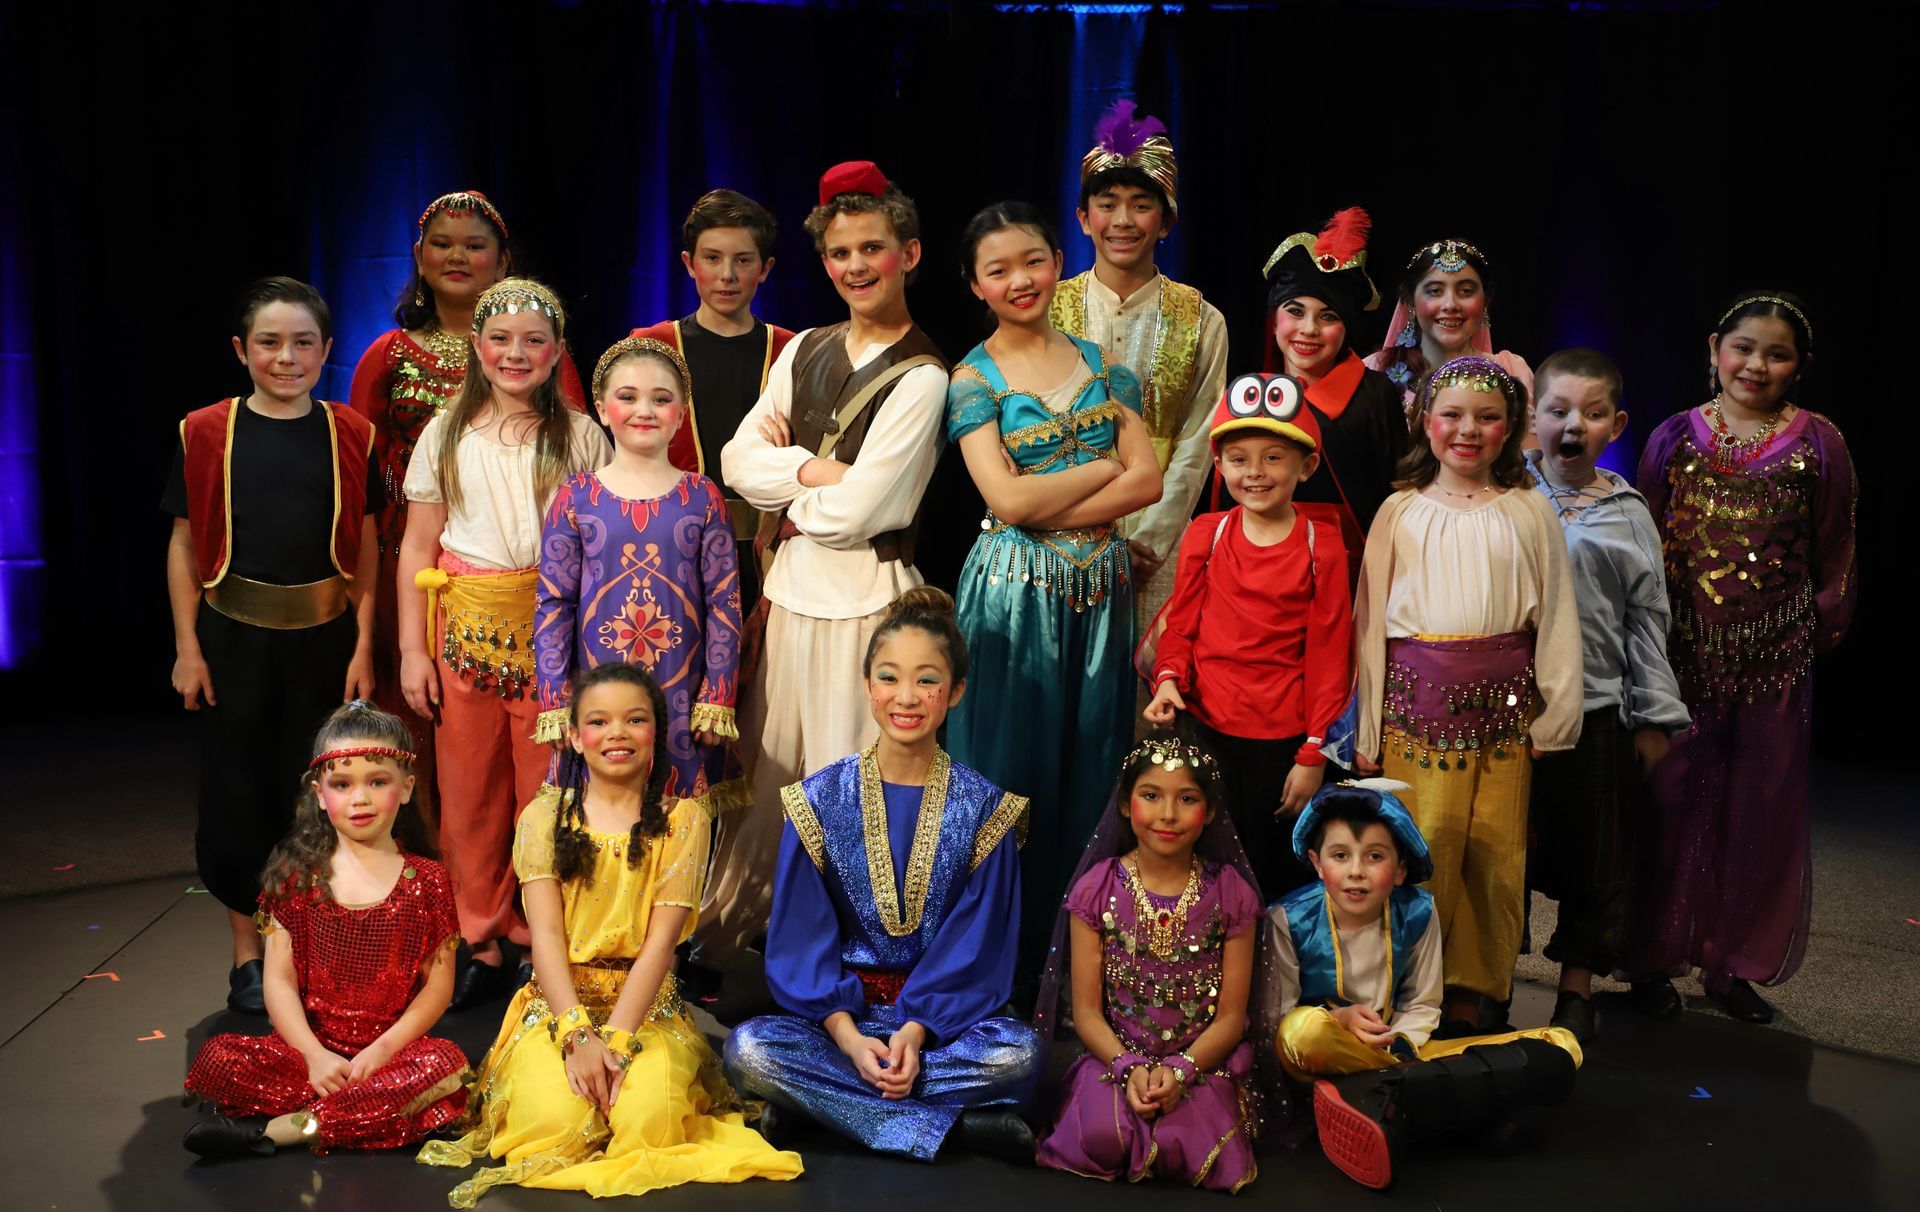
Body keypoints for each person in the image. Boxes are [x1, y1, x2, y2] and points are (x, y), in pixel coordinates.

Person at [418, 663, 802, 1203]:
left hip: (643, 1008)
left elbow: (660, 946)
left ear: (655, 733)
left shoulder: (683, 820)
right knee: (548, 1123)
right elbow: (547, 939)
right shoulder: (543, 818)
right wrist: (578, 1038)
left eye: (635, 719)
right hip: (558, 1004)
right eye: (598, 721)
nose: (616, 733)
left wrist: (617, 1045)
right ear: (574, 736)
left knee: (650, 1119)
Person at [710, 161, 947, 968]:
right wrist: (818, 471)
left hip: (865, 603)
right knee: (772, 777)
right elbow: (737, 459)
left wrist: (799, 482)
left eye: (872, 248)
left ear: (908, 254)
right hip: (790, 591)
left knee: (850, 782)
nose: (855, 266)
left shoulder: (923, 376)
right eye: (840, 252)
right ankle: (764, 942)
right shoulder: (805, 347)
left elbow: (860, 517)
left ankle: (857, 950)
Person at [724, 588, 1046, 1163]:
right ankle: (956, 1129)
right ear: (868, 684)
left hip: (942, 1027)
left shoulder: (985, 811)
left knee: (1018, 1056)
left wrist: (915, 1034)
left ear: (956, 692)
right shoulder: (818, 801)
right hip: (840, 1023)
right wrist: (849, 1039)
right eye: (889, 677)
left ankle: (819, 1110)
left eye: (927, 681)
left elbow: (977, 951)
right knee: (749, 1050)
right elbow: (802, 940)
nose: (907, 697)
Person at [943, 200, 1161, 975]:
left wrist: (1072, 489)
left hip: (1102, 588)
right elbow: (1006, 503)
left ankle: (1075, 967)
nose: (1019, 279)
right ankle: (988, 965)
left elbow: (1152, 482)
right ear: (975, 285)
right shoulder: (972, 380)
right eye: (997, 269)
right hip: (1012, 593)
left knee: (1095, 766)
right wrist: (1105, 467)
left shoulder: (1108, 368)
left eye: (1032, 260)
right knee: (1008, 770)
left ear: (1056, 260)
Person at [1628, 293, 1855, 1025]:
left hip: (1772, 665)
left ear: (1800, 367)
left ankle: (1731, 965)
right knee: (1665, 810)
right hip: (1679, 659)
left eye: (1777, 354)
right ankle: (1650, 961)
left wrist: (1807, 635)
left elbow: (1836, 552)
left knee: (1754, 811)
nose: (1757, 365)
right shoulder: (1672, 436)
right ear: (1715, 347)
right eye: (1744, 347)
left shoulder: (1820, 444)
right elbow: (1642, 540)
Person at [164, 276, 380, 1014]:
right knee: (237, 797)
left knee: (316, 797)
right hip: (234, 642)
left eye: (303, 343)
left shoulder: (352, 433)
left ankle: (311, 949)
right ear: (241, 349)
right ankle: (247, 956)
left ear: (326, 350)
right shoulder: (205, 431)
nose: (286, 358)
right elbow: (186, 542)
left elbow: (371, 543)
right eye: (269, 343)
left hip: (325, 639)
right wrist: (188, 646)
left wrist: (363, 643)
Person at [397, 277, 611, 1009]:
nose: (515, 353)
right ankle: (477, 934)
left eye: (533, 341)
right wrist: (410, 649)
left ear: (555, 354)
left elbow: (599, 549)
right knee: (468, 794)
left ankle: (536, 934)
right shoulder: (446, 434)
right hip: (465, 634)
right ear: (477, 350)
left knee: (546, 790)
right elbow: (416, 545)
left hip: (551, 631)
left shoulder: (581, 436)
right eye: (501, 339)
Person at [1351, 355, 1582, 1033]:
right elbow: (1370, 624)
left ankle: (1474, 990)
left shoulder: (1530, 510)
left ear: (1511, 428)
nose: (1468, 430)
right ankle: (1411, 987)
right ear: (1426, 423)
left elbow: (1558, 618)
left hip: (1505, 722)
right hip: (1417, 718)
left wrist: (1556, 715)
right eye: (1452, 415)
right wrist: (1366, 727)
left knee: (1495, 856)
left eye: (1486, 418)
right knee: (1426, 852)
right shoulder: (1399, 511)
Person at [350, 190, 586, 810]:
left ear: (503, 260)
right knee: (444, 749)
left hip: (536, 581)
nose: (457, 256)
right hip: (422, 566)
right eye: (442, 244)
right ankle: (440, 882)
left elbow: (582, 487)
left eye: (474, 245)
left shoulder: (546, 369)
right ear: (419, 258)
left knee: (542, 764)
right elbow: (359, 475)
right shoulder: (389, 355)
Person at [1262, 781, 1581, 1190]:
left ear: (1399, 870)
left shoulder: (1417, 911)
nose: (1356, 871)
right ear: (1317, 863)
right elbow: (1279, 1019)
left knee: (1560, 1044)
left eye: (1374, 856)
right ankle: (1442, 1098)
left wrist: (1399, 1045)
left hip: (1403, 1048)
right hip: (1324, 1052)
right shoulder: (1288, 918)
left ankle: (1387, 1094)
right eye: (1340, 856)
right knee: (1301, 1031)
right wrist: (1338, 1019)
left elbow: (1424, 1003)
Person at [181, 702, 467, 1157]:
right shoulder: (297, 876)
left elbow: (438, 987)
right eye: (342, 784)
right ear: (318, 793)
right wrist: (314, 1055)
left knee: (441, 1066)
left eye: (378, 782)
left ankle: (280, 1131)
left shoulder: (427, 881)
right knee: (219, 1056)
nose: (360, 799)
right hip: (309, 1052)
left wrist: (384, 1051)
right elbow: (278, 979)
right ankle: (351, 1114)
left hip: (389, 1056)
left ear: (407, 788)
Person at [1522, 349, 1689, 1041]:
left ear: (1614, 424)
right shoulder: (1508, 495)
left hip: (1597, 710)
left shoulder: (1626, 512)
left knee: (1599, 855)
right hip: (1514, 713)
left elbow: (1648, 618)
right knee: (1510, 853)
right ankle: (1483, 988)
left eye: (1591, 414)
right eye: (1558, 410)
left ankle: (1575, 993)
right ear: (1532, 419)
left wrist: (1652, 715)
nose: (1573, 425)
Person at [1144, 374, 1351, 898]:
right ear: (1219, 466)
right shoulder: (1205, 533)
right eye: (1239, 459)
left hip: (1280, 740)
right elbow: (1182, 626)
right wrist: (1169, 681)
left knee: (1270, 867)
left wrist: (1313, 755)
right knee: (1206, 862)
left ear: (1305, 466)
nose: (1255, 472)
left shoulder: (1320, 545)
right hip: (1206, 728)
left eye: (1273, 458)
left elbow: (1330, 656)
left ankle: (1270, 976)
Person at [1033, 730, 1262, 1192]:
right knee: (1101, 1134)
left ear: (1211, 812)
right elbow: (1087, 1013)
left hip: (1202, 1065)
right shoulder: (1096, 890)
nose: (1167, 815)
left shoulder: (1231, 894)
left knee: (1191, 1139)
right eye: (1151, 796)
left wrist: (1181, 1070)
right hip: (1115, 1061)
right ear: (1124, 803)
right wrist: (1128, 1066)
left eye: (1187, 799)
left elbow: (1232, 1017)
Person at [533, 337, 743, 802]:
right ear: (603, 410)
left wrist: (718, 693)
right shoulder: (576, 497)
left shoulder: (703, 497)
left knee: (676, 827)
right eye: (627, 397)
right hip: (596, 690)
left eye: (661, 399)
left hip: (681, 696)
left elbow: (724, 603)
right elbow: (554, 602)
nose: (644, 409)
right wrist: (554, 697)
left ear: (682, 414)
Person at [1049, 100, 1228, 640]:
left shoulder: (1202, 317)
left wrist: (1153, 537)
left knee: (1148, 706)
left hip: (1159, 552)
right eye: (1107, 204)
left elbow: (1199, 438)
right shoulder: (1045, 310)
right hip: (1056, 539)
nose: (1123, 221)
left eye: (1140, 205)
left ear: (1166, 221)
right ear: (1083, 218)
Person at [629, 189, 796, 612]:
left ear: (765, 269)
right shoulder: (652, 347)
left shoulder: (793, 351)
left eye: (743, 260)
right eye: (712, 258)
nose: (727, 274)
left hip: (772, 555)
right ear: (689, 264)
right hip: (668, 547)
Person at [1258, 207, 1409, 580]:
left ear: (1346, 329)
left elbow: (1399, 497)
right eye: (1296, 311)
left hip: (1354, 579)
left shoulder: (1376, 396)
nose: (1308, 329)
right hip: (1263, 576)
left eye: (1328, 317)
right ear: (1275, 318)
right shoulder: (1253, 393)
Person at [1365, 239, 1532, 417]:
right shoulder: (1374, 370)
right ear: (1411, 302)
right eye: (1435, 291)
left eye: (1466, 291)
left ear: (1485, 302)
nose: (1450, 304)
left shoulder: (1512, 371)